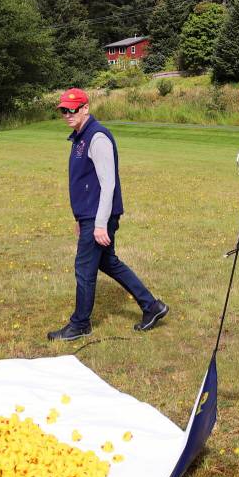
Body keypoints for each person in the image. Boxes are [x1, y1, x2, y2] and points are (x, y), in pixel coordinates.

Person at [47, 88, 168, 341]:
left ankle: (80, 324)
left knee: (84, 268)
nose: (67, 114)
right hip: (89, 215)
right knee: (107, 262)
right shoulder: (79, 136)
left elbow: (108, 183)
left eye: (73, 109)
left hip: (99, 215)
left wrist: (99, 224)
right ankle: (152, 306)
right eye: (63, 110)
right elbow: (83, 182)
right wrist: (80, 220)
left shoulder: (97, 137)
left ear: (85, 108)